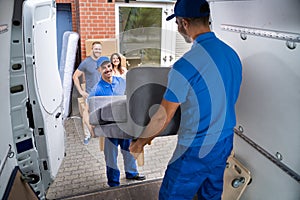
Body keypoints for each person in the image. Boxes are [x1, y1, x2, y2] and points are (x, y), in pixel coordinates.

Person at [129, 0, 242, 199]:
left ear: (185, 23)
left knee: (172, 195)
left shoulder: (185, 66)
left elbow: (161, 117)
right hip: (225, 140)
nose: (177, 27)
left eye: (177, 23)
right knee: (211, 193)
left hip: (196, 148)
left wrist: (140, 143)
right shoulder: (232, 54)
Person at [89, 56, 146, 187]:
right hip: (109, 129)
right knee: (111, 157)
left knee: (129, 150)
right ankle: (114, 182)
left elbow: (132, 97)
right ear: (99, 70)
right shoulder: (96, 90)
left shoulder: (121, 81)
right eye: (104, 68)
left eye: (108, 66)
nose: (107, 69)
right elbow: (90, 110)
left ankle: (132, 173)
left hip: (125, 125)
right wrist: (91, 126)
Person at [72, 41, 102, 145]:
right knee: (87, 115)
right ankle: (87, 135)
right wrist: (81, 91)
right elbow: (75, 76)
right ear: (92, 49)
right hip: (90, 94)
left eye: (99, 49)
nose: (97, 50)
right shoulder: (86, 62)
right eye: (96, 48)